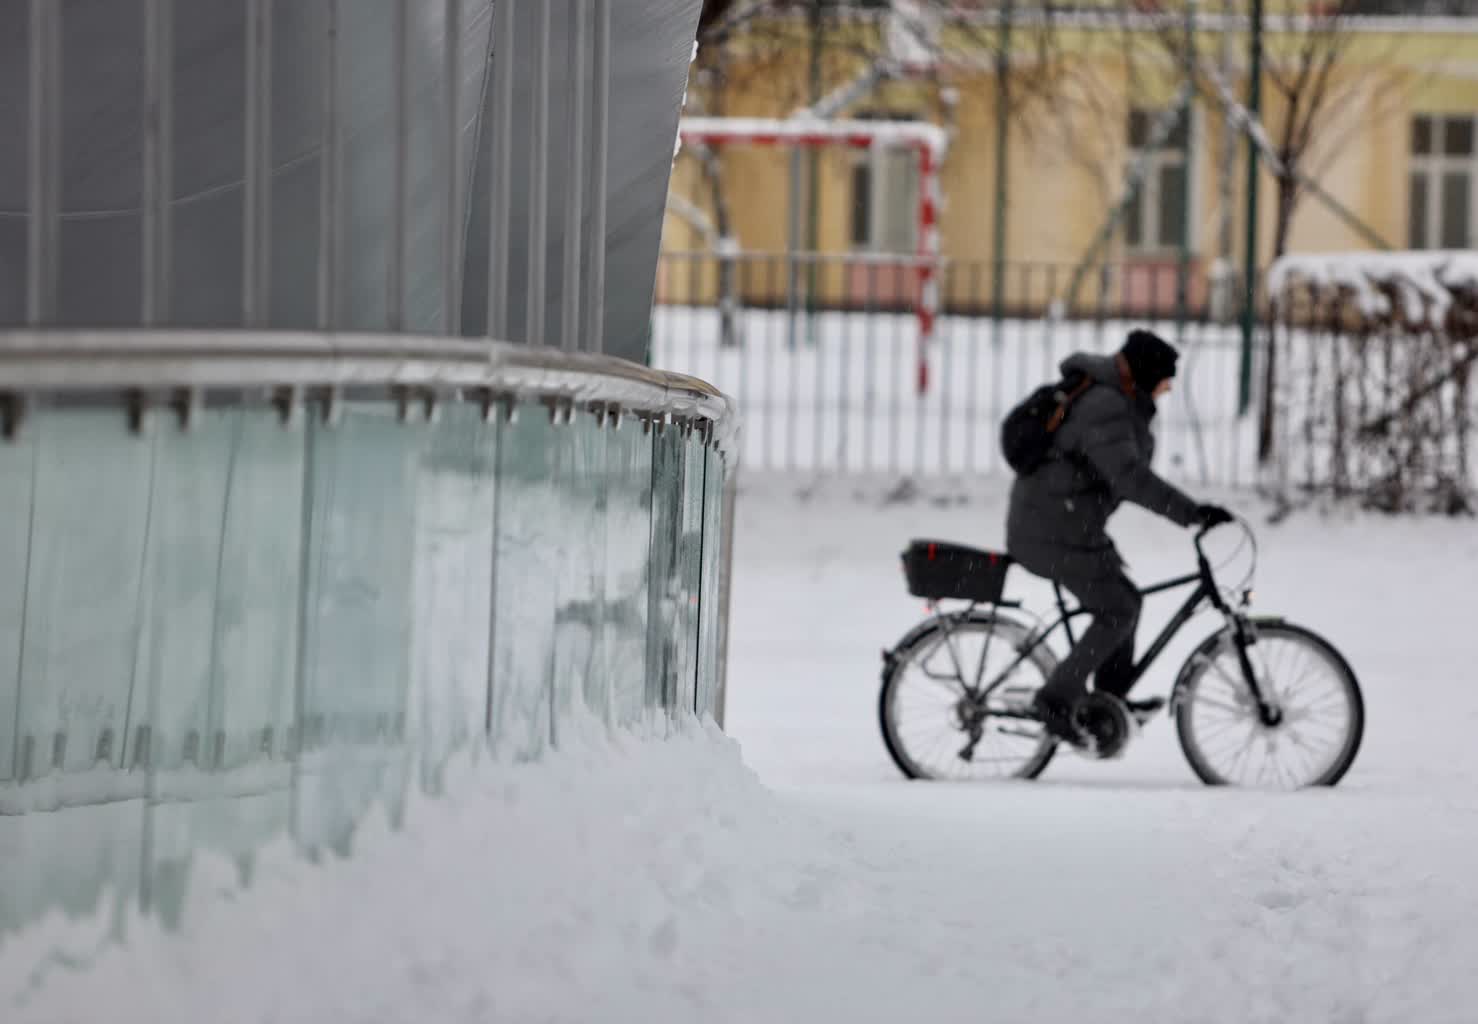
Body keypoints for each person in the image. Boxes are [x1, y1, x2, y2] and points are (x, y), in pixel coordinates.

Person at [1005, 328, 1234, 746]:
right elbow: (1130, 478)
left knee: (1126, 599)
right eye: (1164, 380)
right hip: (1050, 531)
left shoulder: (1113, 396)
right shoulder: (1106, 406)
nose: (1166, 389)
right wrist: (1191, 513)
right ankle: (1056, 699)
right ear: (1144, 375)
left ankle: (1109, 702)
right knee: (1117, 610)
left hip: (1065, 524)